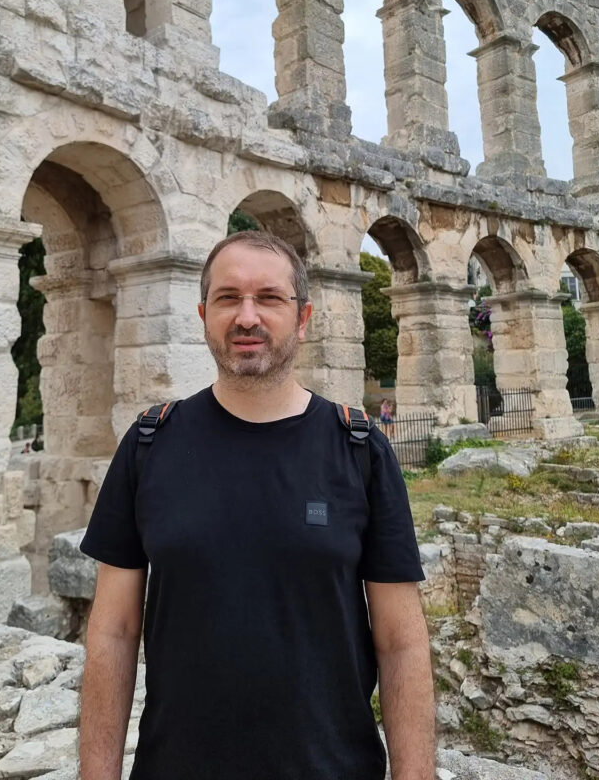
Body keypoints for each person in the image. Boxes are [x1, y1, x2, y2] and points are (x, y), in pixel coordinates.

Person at [79, 231, 436, 780]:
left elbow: (401, 639)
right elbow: (114, 630)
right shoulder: (150, 443)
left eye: (269, 297)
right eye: (228, 298)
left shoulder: (360, 448)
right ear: (203, 314)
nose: (247, 317)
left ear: (303, 316)